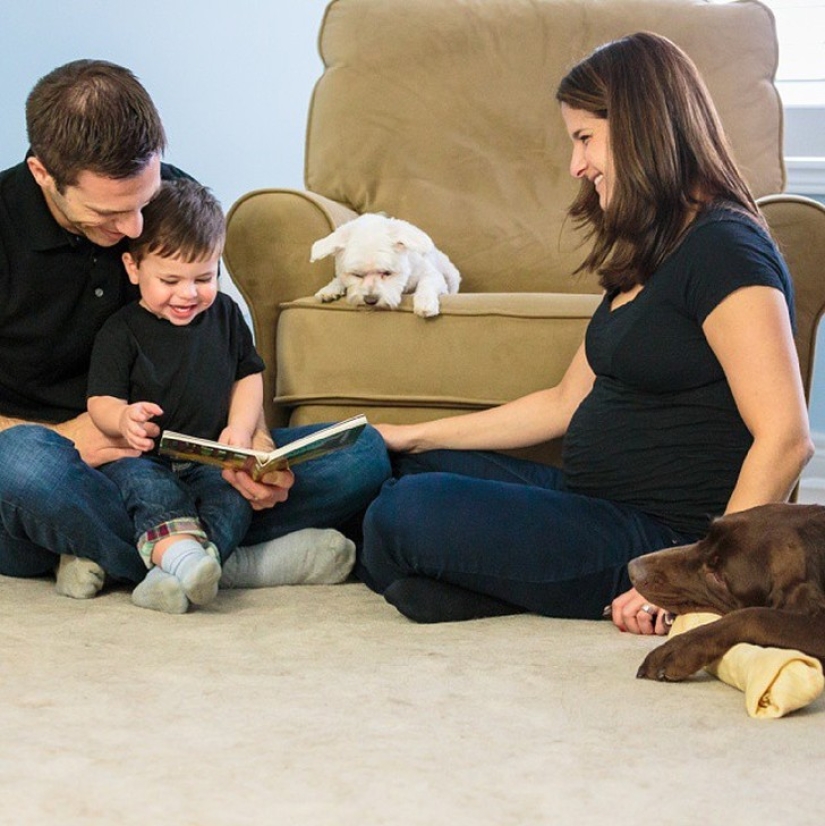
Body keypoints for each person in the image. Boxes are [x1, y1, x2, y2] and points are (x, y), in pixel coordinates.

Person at [358, 32, 813, 631]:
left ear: (640, 127)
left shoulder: (727, 249)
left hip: (658, 537)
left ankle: (470, 580)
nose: (576, 165)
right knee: (396, 467)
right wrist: (409, 436)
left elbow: (785, 437)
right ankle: (488, 587)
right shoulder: (654, 248)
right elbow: (564, 401)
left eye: (584, 139)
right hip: (586, 501)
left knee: (404, 514)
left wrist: (689, 582)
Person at [0, 59, 389, 601]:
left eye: (144, 199)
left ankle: (153, 556)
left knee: (361, 452)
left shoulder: (174, 200)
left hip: (190, 459)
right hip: (69, 471)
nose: (135, 228)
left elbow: (223, 346)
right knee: (20, 465)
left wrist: (253, 447)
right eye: (109, 213)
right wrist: (71, 439)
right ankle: (232, 562)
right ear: (44, 174)